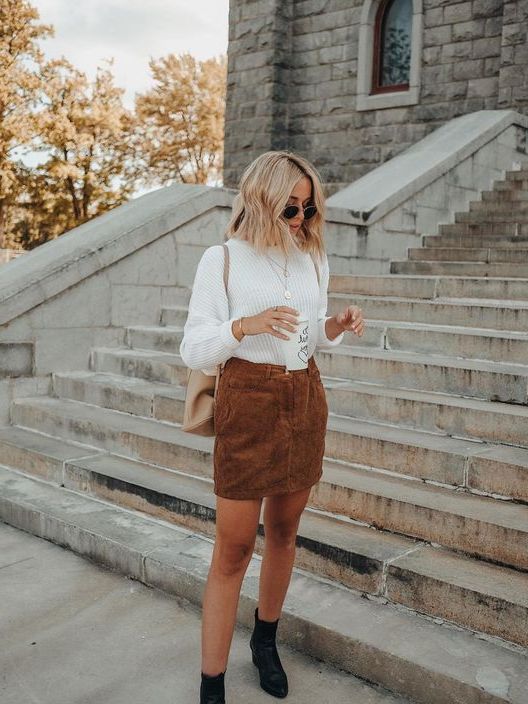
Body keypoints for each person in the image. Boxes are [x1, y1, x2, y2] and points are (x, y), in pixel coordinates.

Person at [179, 150, 364, 704]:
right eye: (290, 208)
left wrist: (334, 324)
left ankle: (265, 640)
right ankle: (212, 680)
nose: (301, 220)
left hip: (303, 395)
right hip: (248, 400)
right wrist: (243, 326)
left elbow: (310, 334)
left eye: (308, 209)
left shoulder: (312, 257)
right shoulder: (222, 260)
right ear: (262, 200)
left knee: (284, 532)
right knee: (233, 547)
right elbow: (194, 347)